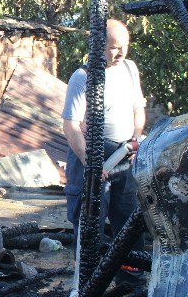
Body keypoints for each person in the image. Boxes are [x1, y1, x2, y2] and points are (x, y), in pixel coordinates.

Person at [62, 18, 146, 239]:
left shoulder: (130, 69)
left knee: (128, 221)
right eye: (114, 48)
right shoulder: (82, 78)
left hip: (125, 154)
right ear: (99, 46)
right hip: (92, 157)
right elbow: (70, 126)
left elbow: (138, 109)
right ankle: (89, 273)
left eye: (125, 46)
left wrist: (136, 140)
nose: (121, 53)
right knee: (90, 224)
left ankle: (131, 272)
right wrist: (90, 163)